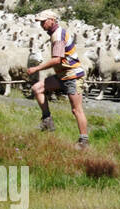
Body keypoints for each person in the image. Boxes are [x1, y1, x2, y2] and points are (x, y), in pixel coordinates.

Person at [26, 9, 89, 149]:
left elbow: (57, 59)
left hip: (72, 75)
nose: (41, 24)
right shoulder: (55, 33)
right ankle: (47, 121)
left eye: (43, 21)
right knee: (37, 88)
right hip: (62, 75)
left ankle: (84, 141)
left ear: (52, 20)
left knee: (76, 110)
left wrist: (37, 68)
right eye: (40, 22)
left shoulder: (58, 35)